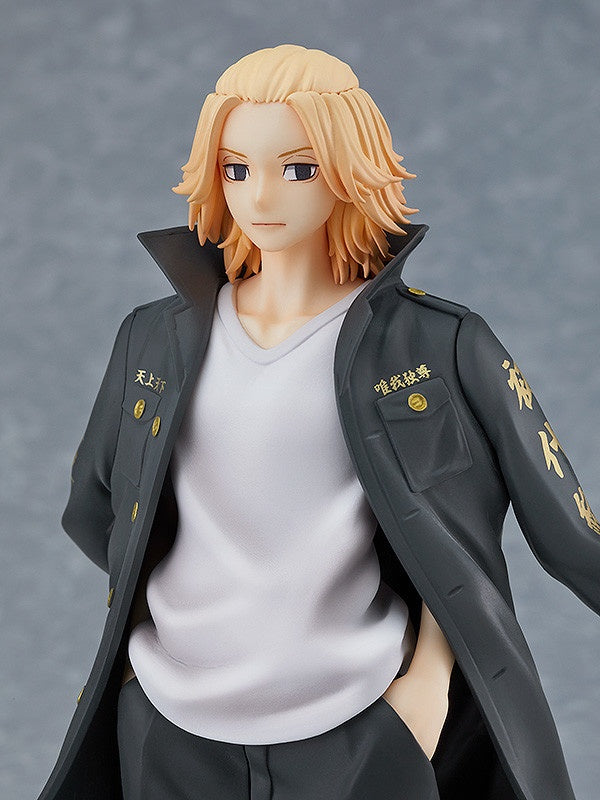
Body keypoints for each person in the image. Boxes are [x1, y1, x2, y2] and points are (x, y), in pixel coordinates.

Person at [37, 44, 599, 800]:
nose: (262, 195)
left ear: (349, 169)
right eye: (237, 169)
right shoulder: (152, 338)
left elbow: (554, 531)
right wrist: (169, 631)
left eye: (298, 168)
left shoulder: (437, 344)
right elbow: (96, 505)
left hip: (365, 720)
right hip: (169, 723)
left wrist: (426, 685)